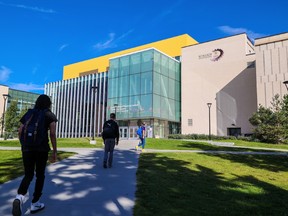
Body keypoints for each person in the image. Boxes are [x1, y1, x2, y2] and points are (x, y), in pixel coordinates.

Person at [12, 94, 58, 216]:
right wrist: (54, 151)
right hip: (41, 149)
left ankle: (19, 197)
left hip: (27, 148)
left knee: (28, 174)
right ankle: (35, 202)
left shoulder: (28, 114)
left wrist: (23, 144)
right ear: (49, 103)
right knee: (40, 175)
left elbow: (20, 130)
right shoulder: (49, 115)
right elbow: (52, 133)